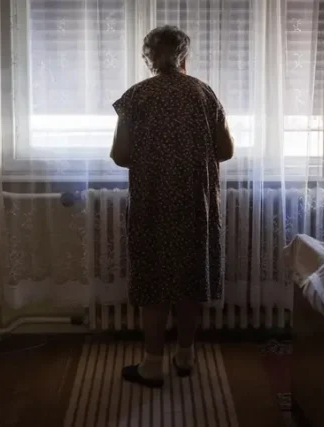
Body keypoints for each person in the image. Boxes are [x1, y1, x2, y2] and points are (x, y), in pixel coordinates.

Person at [110, 25, 234, 388]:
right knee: (189, 279)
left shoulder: (135, 97)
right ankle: (185, 355)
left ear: (149, 58)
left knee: (154, 280)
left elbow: (120, 156)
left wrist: (154, 158)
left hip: (153, 200)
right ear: (184, 56)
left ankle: (152, 364)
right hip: (196, 201)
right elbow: (225, 151)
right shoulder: (202, 93)